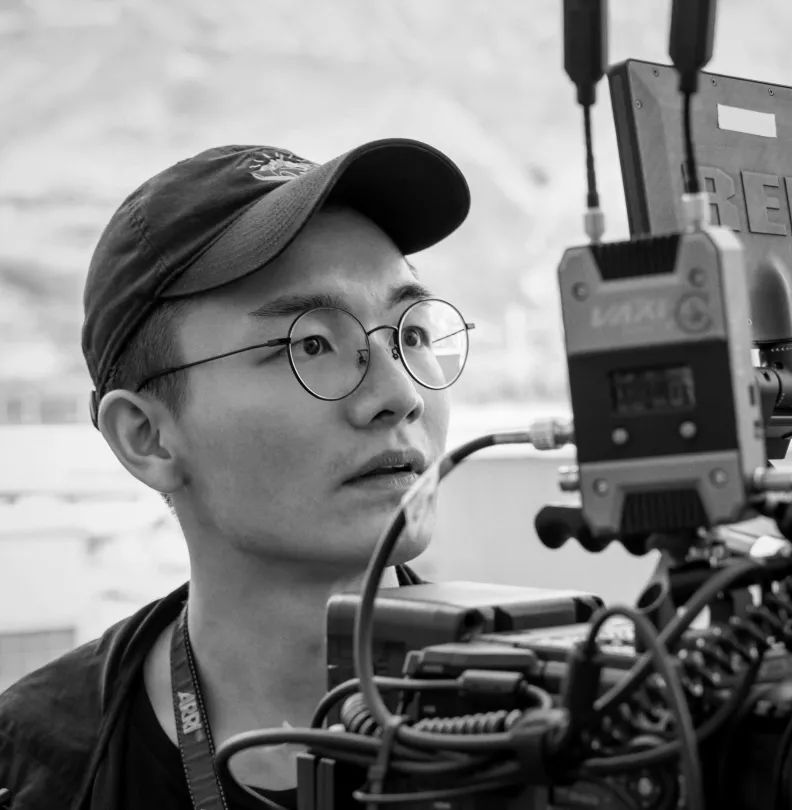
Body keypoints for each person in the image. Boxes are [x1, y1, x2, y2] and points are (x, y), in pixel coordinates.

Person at [0, 139, 472, 809]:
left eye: (411, 334)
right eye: (311, 344)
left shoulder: (588, 718)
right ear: (147, 437)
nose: (400, 394)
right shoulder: (37, 766)